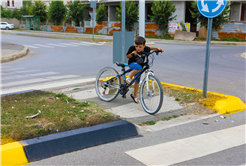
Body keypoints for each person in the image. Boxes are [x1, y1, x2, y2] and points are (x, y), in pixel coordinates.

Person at [126, 36, 163, 104]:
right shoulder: (132, 48)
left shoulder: (146, 48)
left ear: (144, 46)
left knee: (137, 81)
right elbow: (127, 56)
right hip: (132, 64)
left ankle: (134, 96)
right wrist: (132, 54)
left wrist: (157, 48)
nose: (138, 48)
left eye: (140, 47)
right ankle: (129, 77)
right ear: (134, 44)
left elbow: (149, 48)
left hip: (139, 66)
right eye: (136, 46)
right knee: (139, 68)